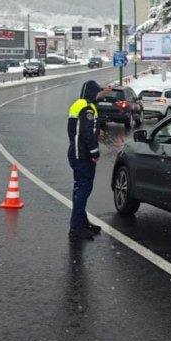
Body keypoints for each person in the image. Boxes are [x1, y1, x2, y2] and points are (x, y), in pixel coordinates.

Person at [67, 80, 102, 240]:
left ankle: (82, 222)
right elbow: (87, 133)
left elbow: (76, 130)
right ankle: (76, 227)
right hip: (83, 155)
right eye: (97, 93)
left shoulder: (77, 105)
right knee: (83, 190)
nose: (99, 96)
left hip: (75, 153)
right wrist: (94, 153)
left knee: (79, 188)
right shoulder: (87, 108)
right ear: (91, 93)